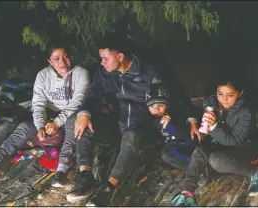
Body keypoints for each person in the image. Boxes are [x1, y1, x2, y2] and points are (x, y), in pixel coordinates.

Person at [62, 35, 202, 205]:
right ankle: (85, 174)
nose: (102, 63)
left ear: (120, 56)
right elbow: (93, 94)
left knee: (131, 136)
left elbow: (177, 94)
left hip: (146, 129)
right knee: (77, 120)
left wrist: (191, 118)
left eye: (105, 58)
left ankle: (109, 187)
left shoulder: (149, 72)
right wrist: (84, 113)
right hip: (117, 125)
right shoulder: (106, 74)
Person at [0, 45, 90, 182]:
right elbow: (38, 104)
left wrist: (57, 122)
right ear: (50, 61)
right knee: (25, 127)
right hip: (50, 117)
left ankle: (61, 169)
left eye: (65, 56)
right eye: (56, 58)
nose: (62, 61)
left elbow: (77, 102)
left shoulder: (81, 73)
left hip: (71, 115)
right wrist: (41, 126)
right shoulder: (43, 76)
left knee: (73, 126)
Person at [170, 74, 258, 207]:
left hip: (246, 148)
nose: (224, 99)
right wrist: (203, 127)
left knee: (216, 160)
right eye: (220, 93)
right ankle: (186, 194)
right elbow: (208, 130)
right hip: (221, 144)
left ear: (240, 93)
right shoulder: (210, 103)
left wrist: (214, 126)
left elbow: (234, 140)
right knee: (200, 151)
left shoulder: (246, 111)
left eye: (230, 95)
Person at [145, 83, 201, 170]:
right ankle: (194, 167)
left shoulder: (175, 115)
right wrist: (160, 126)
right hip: (173, 148)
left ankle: (198, 168)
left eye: (160, 105)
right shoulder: (150, 120)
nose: (156, 109)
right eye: (151, 106)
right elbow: (152, 138)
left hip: (187, 143)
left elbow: (187, 135)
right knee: (163, 155)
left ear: (167, 106)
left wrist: (170, 125)